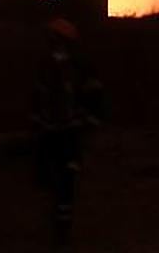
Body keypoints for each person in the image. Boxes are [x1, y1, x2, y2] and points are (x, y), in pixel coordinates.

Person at [31, 16, 105, 246]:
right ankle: (55, 226)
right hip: (51, 131)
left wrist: (90, 121)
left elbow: (94, 97)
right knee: (51, 178)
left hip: (69, 132)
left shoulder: (78, 68)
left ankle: (61, 231)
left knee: (66, 179)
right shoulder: (46, 66)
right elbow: (36, 97)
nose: (52, 42)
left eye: (55, 38)